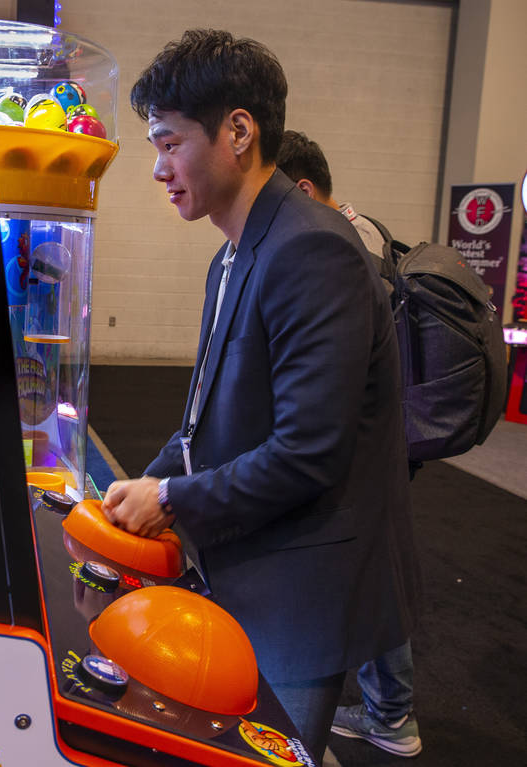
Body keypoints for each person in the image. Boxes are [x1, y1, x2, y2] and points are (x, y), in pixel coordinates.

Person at [103, 30, 419, 761]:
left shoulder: (313, 249)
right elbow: (208, 417)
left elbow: (309, 452)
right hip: (245, 562)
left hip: (303, 591)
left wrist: (170, 500)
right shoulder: (231, 254)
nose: (158, 168)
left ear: (238, 132)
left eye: (170, 143)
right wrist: (146, 483)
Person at [277, 130, 422, 758]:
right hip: (380, 426)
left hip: (366, 435)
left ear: (304, 190)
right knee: (372, 567)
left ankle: (391, 715)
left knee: (369, 570)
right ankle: (390, 711)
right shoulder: (363, 231)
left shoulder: (336, 245)